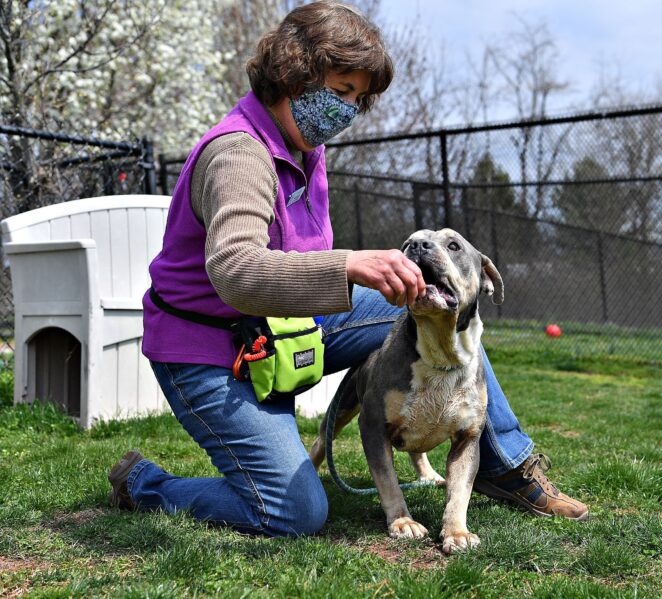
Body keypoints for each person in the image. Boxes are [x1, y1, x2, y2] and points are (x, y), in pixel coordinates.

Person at [107, 1, 588, 537]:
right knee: (293, 513)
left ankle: (504, 464)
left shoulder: (306, 150)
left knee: (438, 311)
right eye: (340, 92)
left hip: (282, 326)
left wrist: (386, 276)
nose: (347, 110)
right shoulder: (240, 153)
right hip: (212, 349)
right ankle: (145, 483)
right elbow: (236, 271)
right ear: (294, 73)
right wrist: (351, 265)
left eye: (357, 99)